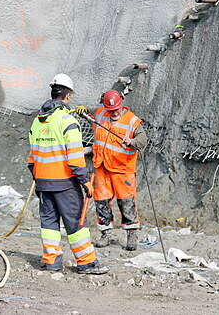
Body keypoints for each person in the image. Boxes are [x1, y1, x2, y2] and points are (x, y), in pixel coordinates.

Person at [28, 73, 108, 274]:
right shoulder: (68, 121)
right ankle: (87, 263)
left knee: (49, 224)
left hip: (43, 183)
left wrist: (38, 177)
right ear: (67, 96)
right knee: (76, 223)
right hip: (65, 183)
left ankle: (52, 262)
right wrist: (84, 181)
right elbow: (75, 157)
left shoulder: (38, 122)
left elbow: (32, 159)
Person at [77, 90, 147, 251]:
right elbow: (89, 111)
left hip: (122, 168)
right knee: (101, 201)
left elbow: (143, 139)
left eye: (116, 110)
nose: (114, 113)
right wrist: (83, 109)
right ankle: (105, 234)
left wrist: (132, 141)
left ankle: (131, 234)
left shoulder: (132, 120)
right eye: (111, 110)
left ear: (121, 104)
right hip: (102, 166)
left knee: (126, 202)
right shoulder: (101, 112)